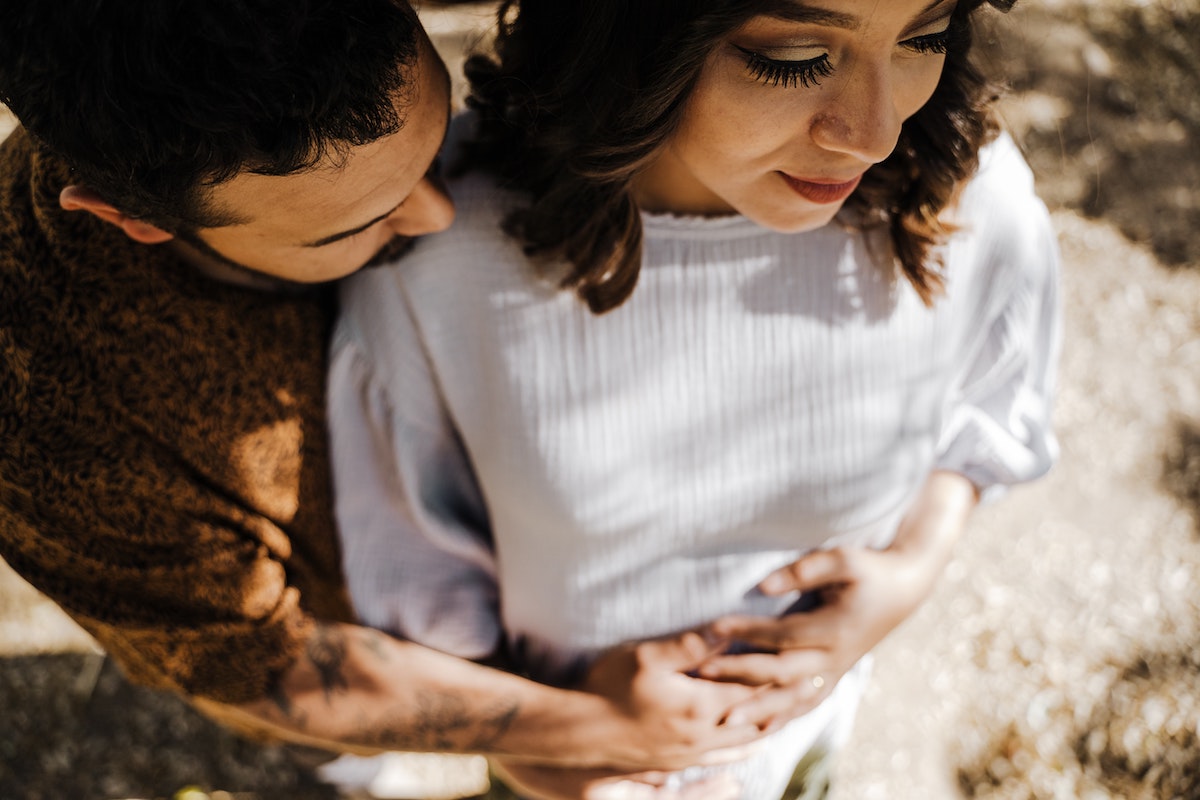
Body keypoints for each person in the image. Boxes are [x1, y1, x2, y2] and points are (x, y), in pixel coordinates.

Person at [0, 0, 787, 785]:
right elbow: (268, 672)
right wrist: (591, 730)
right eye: (351, 227)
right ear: (131, 219)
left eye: (437, 140)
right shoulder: (59, 435)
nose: (441, 215)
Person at [330, 0, 1060, 797]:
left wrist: (911, 571)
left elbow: (988, 410)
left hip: (806, 740)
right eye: (793, 58)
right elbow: (410, 570)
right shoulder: (439, 241)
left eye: (925, 38)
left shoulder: (966, 199)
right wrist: (549, 757)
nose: (875, 131)